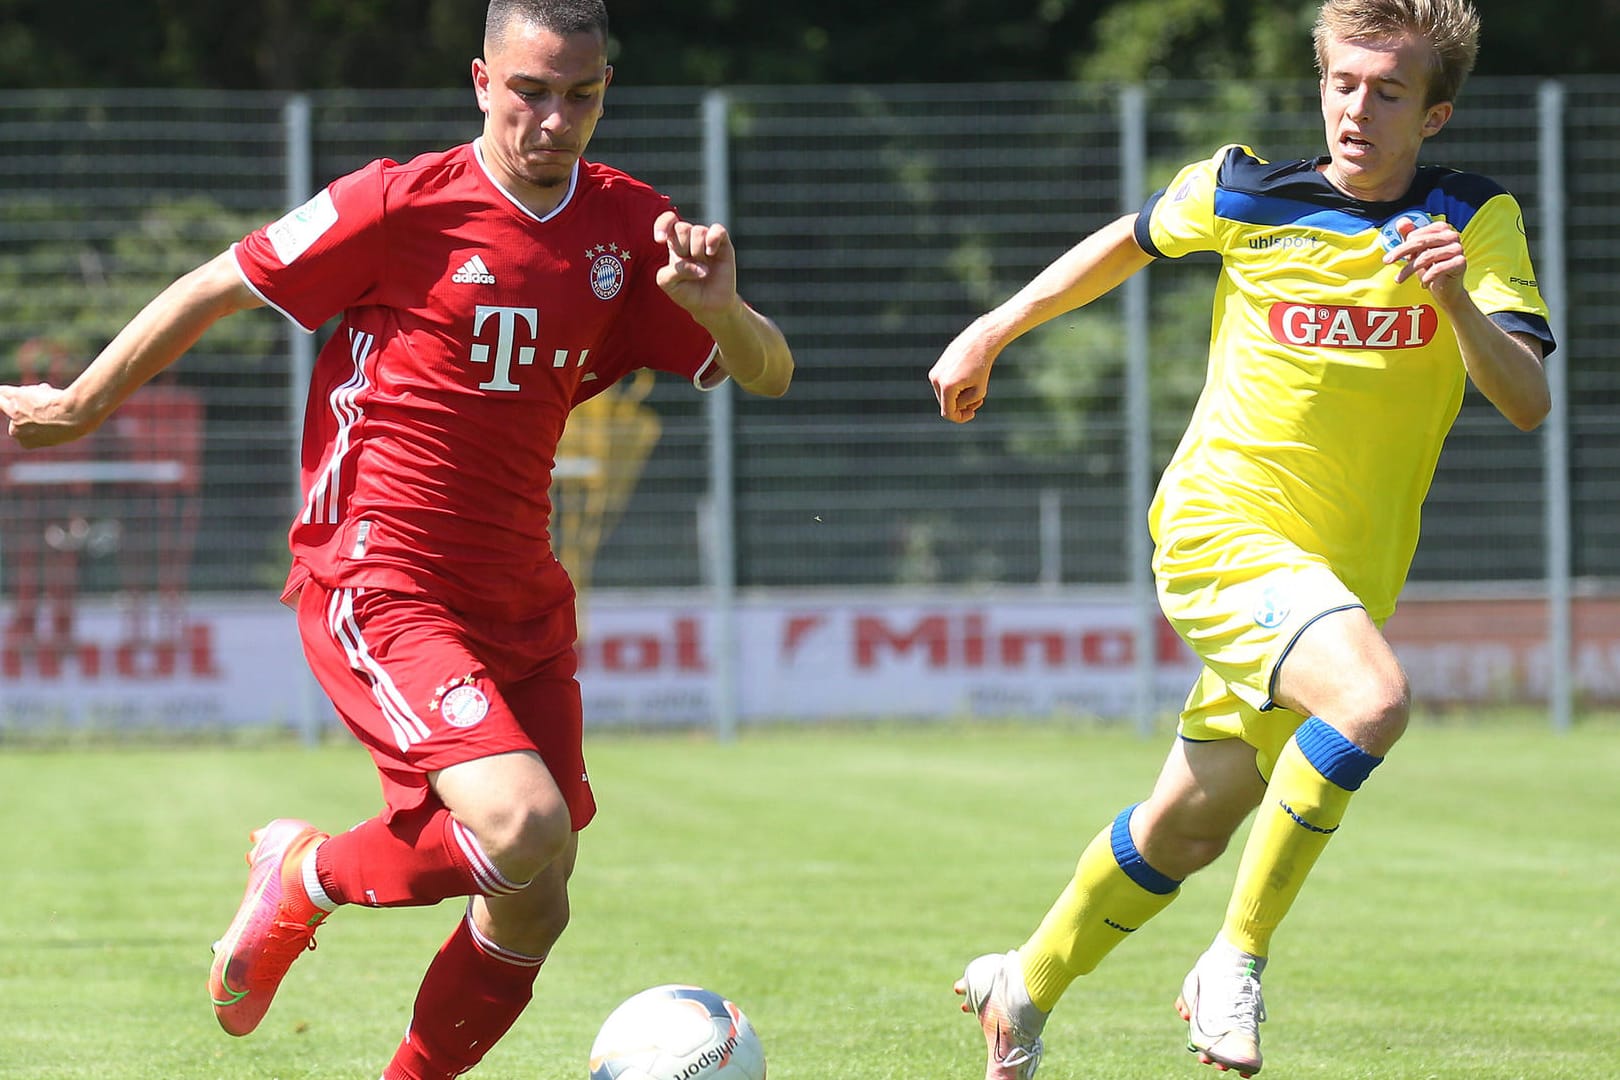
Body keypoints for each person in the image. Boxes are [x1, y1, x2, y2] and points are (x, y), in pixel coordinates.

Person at [0, 1, 792, 1076]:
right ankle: (309, 879)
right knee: (520, 827)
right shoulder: (399, 202)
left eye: (582, 95)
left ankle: (306, 880)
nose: (554, 119)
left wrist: (722, 310)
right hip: (378, 571)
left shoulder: (629, 227)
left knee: (537, 894)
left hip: (517, 586)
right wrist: (81, 405)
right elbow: (216, 283)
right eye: (530, 91)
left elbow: (768, 372)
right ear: (480, 82)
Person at [928, 0, 1551, 1076]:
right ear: (1322, 85)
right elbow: (1120, 247)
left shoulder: (1475, 219)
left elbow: (1528, 399)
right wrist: (990, 330)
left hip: (1339, 580)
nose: (1358, 107)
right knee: (1372, 702)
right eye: (1343, 82)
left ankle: (1023, 983)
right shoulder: (1247, 188)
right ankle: (1235, 961)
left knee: (1191, 824)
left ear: (1434, 113)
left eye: (1389, 90)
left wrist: (1455, 301)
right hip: (1222, 529)